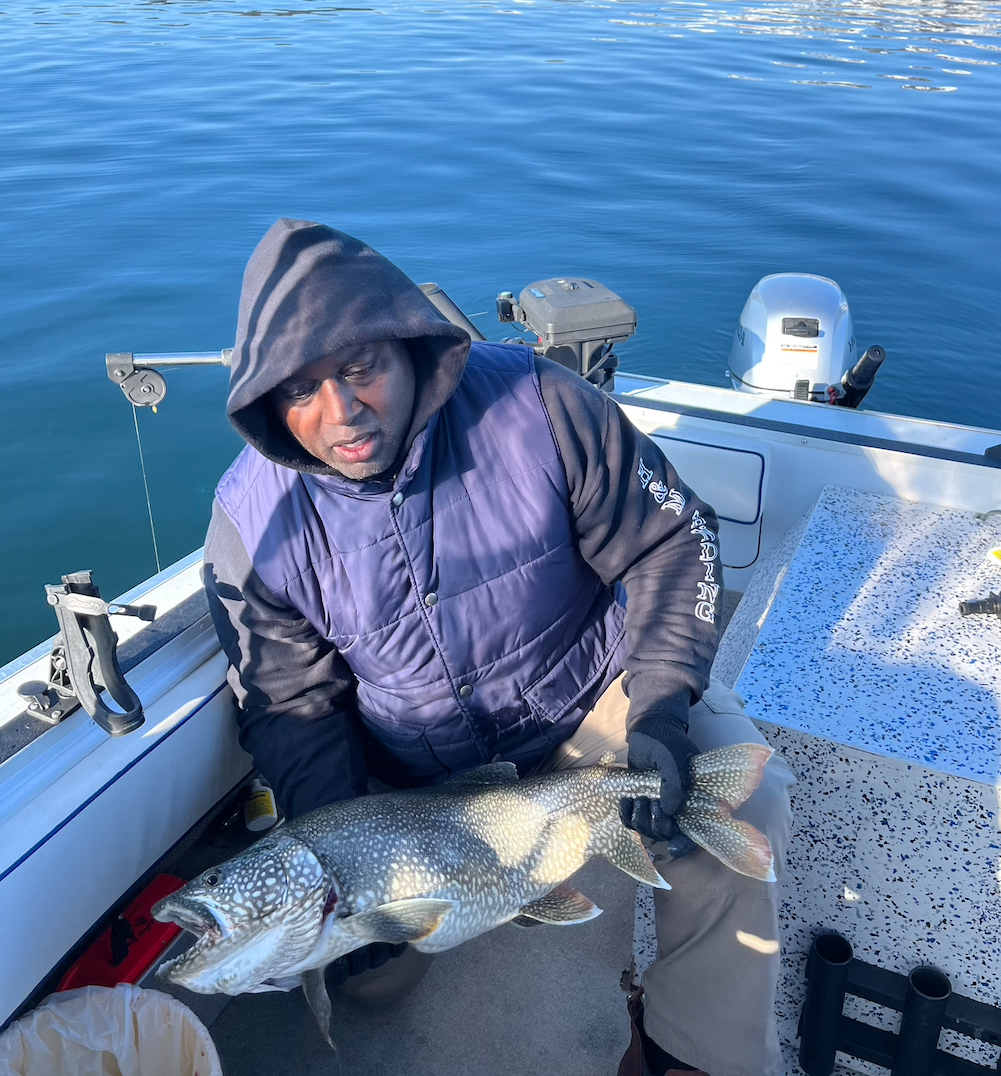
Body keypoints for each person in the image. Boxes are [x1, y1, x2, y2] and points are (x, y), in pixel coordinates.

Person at [204, 218, 794, 1076]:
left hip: (591, 696)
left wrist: (662, 712)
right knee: (368, 983)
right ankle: (493, 896)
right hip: (418, 781)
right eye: (300, 388)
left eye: (359, 367)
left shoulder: (541, 405)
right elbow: (292, 707)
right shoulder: (251, 522)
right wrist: (341, 869)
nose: (340, 412)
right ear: (268, 403)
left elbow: (673, 541)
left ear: (409, 349)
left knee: (744, 800)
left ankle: (686, 1052)